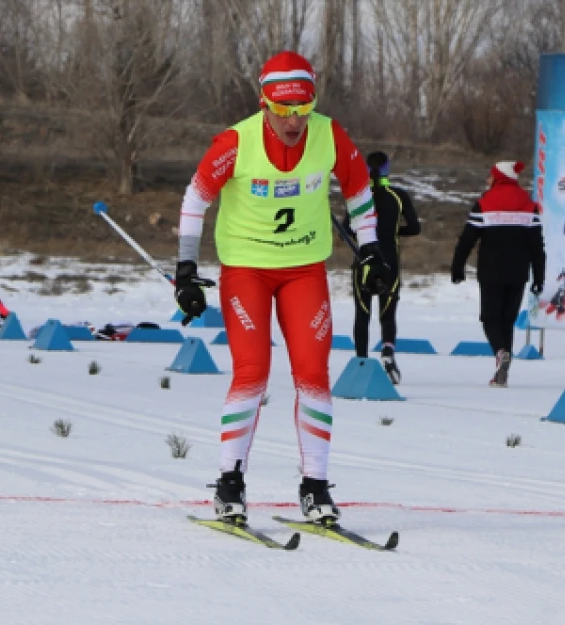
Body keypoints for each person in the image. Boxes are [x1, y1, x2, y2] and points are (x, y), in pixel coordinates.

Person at [174, 51, 389, 526]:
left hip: (303, 270)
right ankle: (230, 483)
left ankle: (315, 487)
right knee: (252, 372)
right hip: (246, 270)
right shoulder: (237, 140)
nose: (293, 122)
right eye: (282, 110)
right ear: (264, 102)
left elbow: (358, 191)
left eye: (302, 111)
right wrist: (186, 269)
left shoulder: (329, 134)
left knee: (313, 374)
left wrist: (371, 248)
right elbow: (196, 198)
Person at [451, 161, 545, 387]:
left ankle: (500, 352)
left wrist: (457, 266)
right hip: (518, 272)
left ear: (499, 177)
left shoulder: (485, 204)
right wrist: (539, 277)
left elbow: (467, 239)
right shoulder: (529, 206)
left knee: (490, 318)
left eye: (490, 176)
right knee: (507, 320)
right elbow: (537, 247)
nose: (487, 180)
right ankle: (502, 373)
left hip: (491, 271)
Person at [342, 151, 420, 384]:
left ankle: (362, 360)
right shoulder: (398, 196)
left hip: (364, 261)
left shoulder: (360, 196)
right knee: (388, 314)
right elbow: (415, 228)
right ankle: (387, 352)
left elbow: (347, 228)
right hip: (390, 262)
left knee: (362, 314)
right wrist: (395, 232)